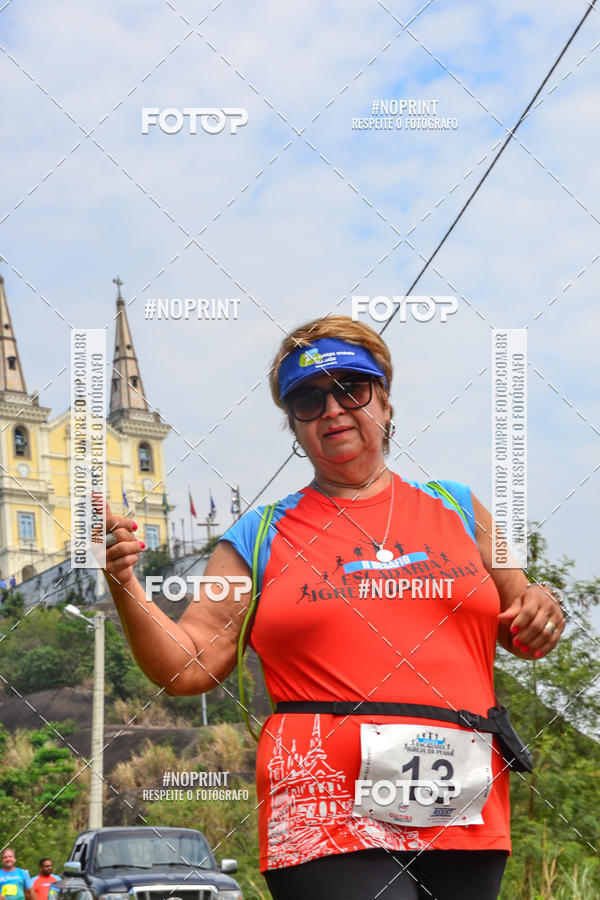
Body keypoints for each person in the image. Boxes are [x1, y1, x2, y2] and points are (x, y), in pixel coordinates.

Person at [104, 316, 566, 899]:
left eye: (352, 389)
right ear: (294, 426)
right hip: (320, 804)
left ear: (386, 403)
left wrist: (545, 606)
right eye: (308, 399)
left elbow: (524, 614)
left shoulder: (463, 509)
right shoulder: (256, 535)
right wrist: (124, 581)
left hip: (461, 796)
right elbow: (186, 667)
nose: (333, 409)